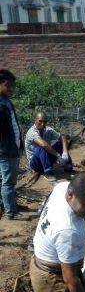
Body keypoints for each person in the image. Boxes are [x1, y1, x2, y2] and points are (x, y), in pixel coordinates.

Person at [30, 171, 85, 292]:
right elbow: (70, 278)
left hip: (46, 264)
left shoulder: (62, 187)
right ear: (70, 194)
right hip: (51, 278)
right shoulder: (67, 230)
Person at [0, 69, 23, 220]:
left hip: (13, 148)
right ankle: (11, 213)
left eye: (12, 86)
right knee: (8, 182)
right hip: (6, 150)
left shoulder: (6, 101)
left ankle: (13, 205)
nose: (11, 90)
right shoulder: (0, 105)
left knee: (12, 180)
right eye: (9, 86)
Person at [25, 112, 73, 179]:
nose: (42, 124)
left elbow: (62, 137)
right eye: (40, 121)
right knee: (41, 147)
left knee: (60, 143)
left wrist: (64, 152)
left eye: (44, 122)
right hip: (35, 163)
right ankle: (48, 172)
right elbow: (43, 145)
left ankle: (68, 166)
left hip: (46, 158)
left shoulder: (48, 130)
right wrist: (58, 155)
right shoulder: (32, 132)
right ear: (35, 120)